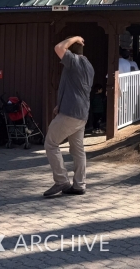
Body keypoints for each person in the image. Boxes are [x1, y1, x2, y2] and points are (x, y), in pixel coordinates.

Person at [44, 35, 94, 198]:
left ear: (70, 52)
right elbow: (76, 89)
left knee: (51, 143)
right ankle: (79, 184)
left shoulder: (73, 61)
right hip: (81, 113)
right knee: (77, 149)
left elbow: (59, 48)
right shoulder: (88, 66)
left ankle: (61, 181)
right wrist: (61, 104)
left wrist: (75, 38)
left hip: (70, 113)